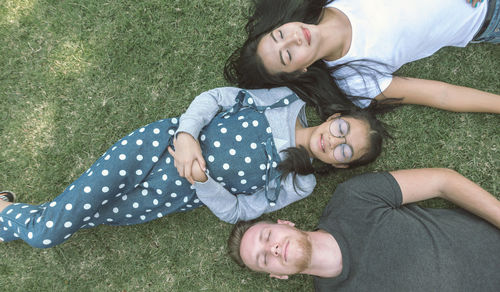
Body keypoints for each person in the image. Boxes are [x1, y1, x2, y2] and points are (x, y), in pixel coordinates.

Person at [0, 86, 389, 248]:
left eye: (344, 152)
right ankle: (6, 215)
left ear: (341, 167)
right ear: (334, 116)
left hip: (170, 195)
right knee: (48, 232)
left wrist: (202, 182)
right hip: (156, 147)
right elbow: (216, 98)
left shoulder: (300, 184)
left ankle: (5, 212)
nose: (335, 141)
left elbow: (241, 210)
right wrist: (186, 136)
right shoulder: (285, 100)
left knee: (77, 216)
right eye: (342, 129)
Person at [229, 168, 500, 291]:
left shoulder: (353, 199)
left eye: (267, 237)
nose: (272, 249)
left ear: (285, 223)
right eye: (264, 259)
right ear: (277, 275)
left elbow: (443, 182)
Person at [225, 0, 500, 113]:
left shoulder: (328, 2)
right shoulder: (351, 77)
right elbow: (441, 94)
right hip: (487, 17)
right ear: (300, 71)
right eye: (288, 55)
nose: (294, 38)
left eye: (279, 35)